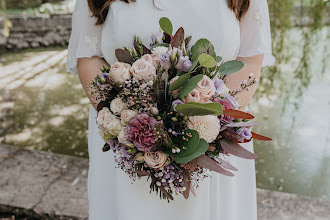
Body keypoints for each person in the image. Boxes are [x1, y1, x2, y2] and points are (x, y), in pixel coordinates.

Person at [66, 0, 275, 219]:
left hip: (213, 144)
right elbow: (88, 57)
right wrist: (132, 128)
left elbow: (250, 60)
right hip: (125, 146)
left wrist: (209, 126)